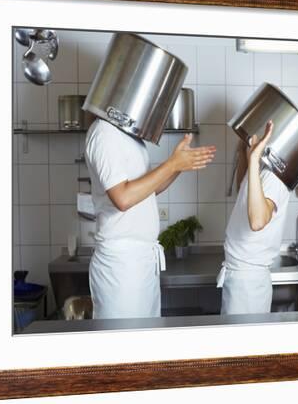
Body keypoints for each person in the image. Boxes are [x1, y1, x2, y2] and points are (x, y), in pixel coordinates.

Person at [85, 118, 216, 319]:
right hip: (121, 267)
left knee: (145, 344)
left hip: (143, 264)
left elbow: (149, 189)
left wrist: (179, 165)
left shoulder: (131, 135)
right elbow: (123, 197)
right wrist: (172, 164)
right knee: (122, 345)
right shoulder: (104, 132)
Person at [217, 120, 291, 314]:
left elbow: (258, 220)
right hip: (240, 279)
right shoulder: (260, 172)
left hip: (248, 285)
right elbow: (243, 186)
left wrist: (254, 157)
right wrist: (245, 151)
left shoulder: (276, 177)